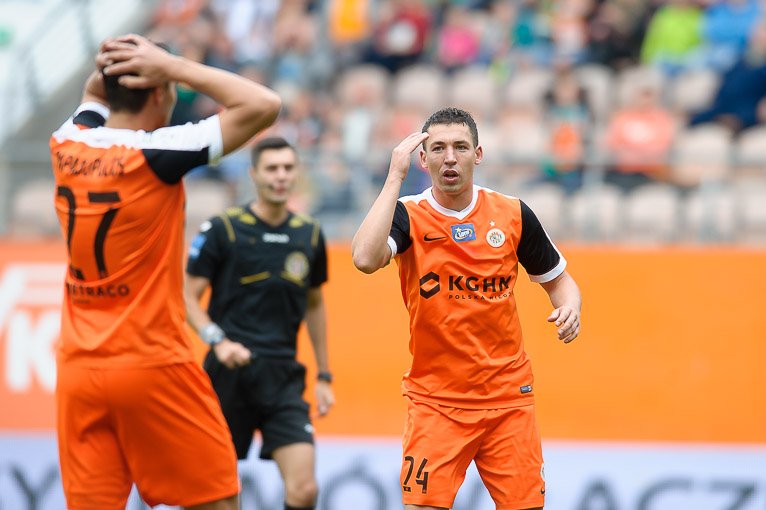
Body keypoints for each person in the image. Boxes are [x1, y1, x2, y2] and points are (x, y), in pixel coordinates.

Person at [50, 34, 281, 510]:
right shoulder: (158, 154)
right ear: (159, 89)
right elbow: (264, 104)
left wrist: (116, 67)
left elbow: (93, 95)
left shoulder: (66, 141)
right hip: (150, 363)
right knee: (218, 502)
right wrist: (172, 65)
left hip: (78, 369)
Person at [351, 107, 582, 510]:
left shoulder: (512, 213)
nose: (450, 157)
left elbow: (560, 281)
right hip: (436, 402)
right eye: (438, 148)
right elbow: (365, 259)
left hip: (508, 399)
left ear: (478, 154)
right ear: (423, 159)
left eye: (460, 147)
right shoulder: (408, 215)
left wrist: (570, 308)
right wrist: (393, 178)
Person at [184, 136, 334, 510]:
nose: (280, 176)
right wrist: (218, 340)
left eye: (287, 168)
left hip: (283, 376)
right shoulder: (224, 228)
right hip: (227, 374)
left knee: (305, 490)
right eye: (271, 168)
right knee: (216, 494)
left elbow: (314, 304)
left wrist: (324, 374)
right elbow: (185, 297)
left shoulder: (309, 233)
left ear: (296, 173)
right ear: (254, 174)